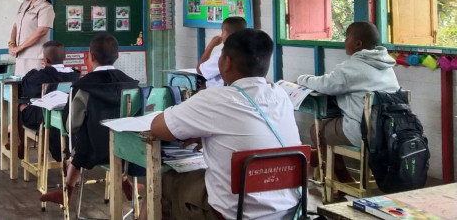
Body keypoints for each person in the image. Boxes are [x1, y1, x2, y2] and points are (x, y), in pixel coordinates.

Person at [147, 29, 301, 220]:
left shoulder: (215, 98)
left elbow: (159, 127)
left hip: (234, 215)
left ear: (227, 62)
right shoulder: (280, 95)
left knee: (164, 182)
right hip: (289, 211)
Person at [40, 33, 139, 206]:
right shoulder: (132, 84)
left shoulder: (83, 86)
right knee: (109, 134)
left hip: (93, 150)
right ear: (118, 56)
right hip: (127, 149)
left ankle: (67, 191)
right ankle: (127, 183)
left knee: (85, 135)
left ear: (90, 56)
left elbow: (72, 125)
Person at [296, 21, 398, 182]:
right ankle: (329, 168)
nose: (345, 41)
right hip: (390, 130)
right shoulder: (387, 66)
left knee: (317, 130)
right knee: (333, 125)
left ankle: (343, 180)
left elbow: (325, 84)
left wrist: (301, 79)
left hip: (364, 132)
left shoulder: (352, 67)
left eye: (347, 37)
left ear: (358, 44)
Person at [13, 40, 80, 160]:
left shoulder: (42, 75)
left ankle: (21, 146)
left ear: (46, 60)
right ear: (64, 57)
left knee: (21, 106)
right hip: (69, 119)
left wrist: (34, 71)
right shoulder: (74, 75)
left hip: (46, 119)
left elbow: (27, 88)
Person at [9, 0, 55, 76]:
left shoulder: (46, 7)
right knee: (20, 84)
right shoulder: (24, 5)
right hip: (20, 57)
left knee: (33, 85)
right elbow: (15, 26)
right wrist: (12, 44)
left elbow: (41, 31)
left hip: (35, 58)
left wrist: (20, 47)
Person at [197, 16, 247, 87]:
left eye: (222, 32)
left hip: (218, 90)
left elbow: (200, 70)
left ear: (226, 34)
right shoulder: (247, 52)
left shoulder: (222, 55)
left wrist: (211, 45)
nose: (221, 35)